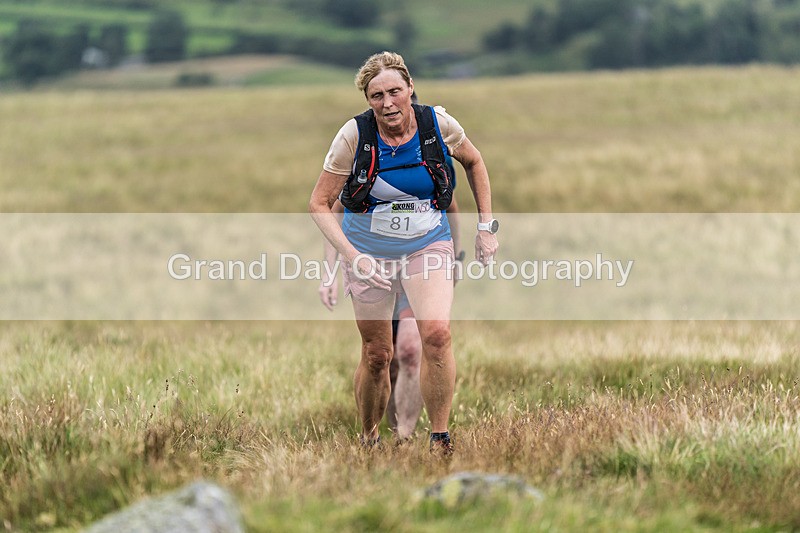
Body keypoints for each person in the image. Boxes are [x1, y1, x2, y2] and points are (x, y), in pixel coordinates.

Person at [309, 51, 498, 454]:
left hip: (427, 244)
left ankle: (440, 439)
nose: (388, 103)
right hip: (368, 251)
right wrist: (350, 257)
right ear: (368, 100)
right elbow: (320, 204)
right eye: (376, 96)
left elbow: (475, 162)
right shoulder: (353, 137)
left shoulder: (438, 125)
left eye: (395, 91)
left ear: (411, 88)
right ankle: (370, 438)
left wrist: (485, 228)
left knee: (437, 335)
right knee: (378, 354)